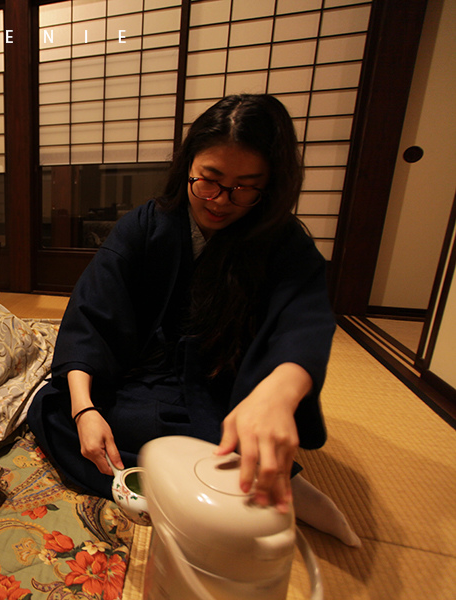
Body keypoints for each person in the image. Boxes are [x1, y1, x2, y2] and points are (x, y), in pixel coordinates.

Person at [26, 94, 337, 514]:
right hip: (142, 374)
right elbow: (90, 313)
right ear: (188, 164)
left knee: (234, 430)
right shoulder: (145, 224)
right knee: (54, 409)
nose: (221, 200)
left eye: (245, 188)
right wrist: (85, 410)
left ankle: (240, 474)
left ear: (271, 184)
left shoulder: (284, 243)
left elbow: (304, 322)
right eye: (209, 179)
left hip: (225, 385)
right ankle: (244, 483)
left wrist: (278, 397)